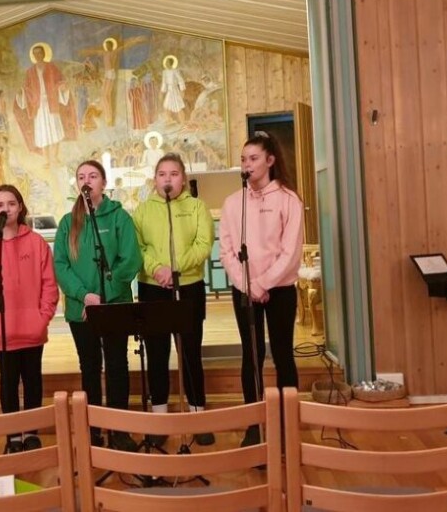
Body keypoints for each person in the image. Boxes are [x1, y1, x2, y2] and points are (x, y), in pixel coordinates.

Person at [219, 132, 303, 447]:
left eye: (253, 158)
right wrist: (247, 285)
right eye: (243, 159)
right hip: (245, 289)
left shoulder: (288, 199)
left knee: (283, 355)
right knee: (251, 356)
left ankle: (286, 424)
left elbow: (290, 250)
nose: (247, 164)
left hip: (279, 289)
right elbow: (227, 250)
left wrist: (264, 283)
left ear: (270, 161)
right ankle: (254, 424)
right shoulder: (232, 202)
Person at [53, 160, 141, 451]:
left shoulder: (119, 217)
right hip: (82, 309)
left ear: (103, 182)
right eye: (81, 177)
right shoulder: (68, 222)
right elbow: (61, 265)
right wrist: (84, 294)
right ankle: (90, 426)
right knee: (89, 366)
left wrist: (110, 291)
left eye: (92, 176)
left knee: (117, 364)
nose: (86, 181)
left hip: (114, 306)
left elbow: (130, 259)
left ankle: (119, 427)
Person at [0, 185, 59, 454]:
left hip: (32, 328)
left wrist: (43, 317)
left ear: (20, 208)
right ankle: (13, 434)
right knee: (8, 383)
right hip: (2, 329)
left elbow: (49, 284)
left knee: (32, 381)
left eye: (11, 203)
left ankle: (31, 431)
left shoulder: (36, 243)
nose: (5, 209)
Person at [132, 153, 215, 446]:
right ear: (155, 180)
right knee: (156, 354)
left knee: (190, 352)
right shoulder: (142, 210)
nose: (168, 179)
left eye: (174, 174)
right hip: (153, 288)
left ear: (183, 177)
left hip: (188, 286)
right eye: (162, 174)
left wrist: (177, 268)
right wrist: (158, 270)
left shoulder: (196, 207)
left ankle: (197, 416)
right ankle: (159, 420)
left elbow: (204, 243)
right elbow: (139, 247)